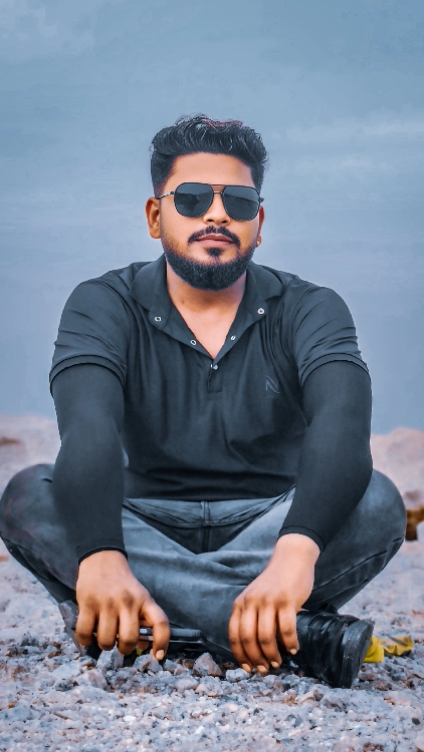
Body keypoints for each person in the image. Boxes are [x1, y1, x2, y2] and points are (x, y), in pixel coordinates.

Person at [0, 115, 406, 688]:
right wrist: (103, 554)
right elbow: (88, 429)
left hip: (273, 528)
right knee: (28, 495)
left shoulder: (312, 308)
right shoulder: (102, 304)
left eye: (238, 202)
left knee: (378, 502)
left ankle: (147, 624)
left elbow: (341, 424)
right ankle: (290, 632)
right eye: (191, 199)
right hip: (141, 525)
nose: (217, 215)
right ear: (154, 216)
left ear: (258, 222)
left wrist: (294, 554)